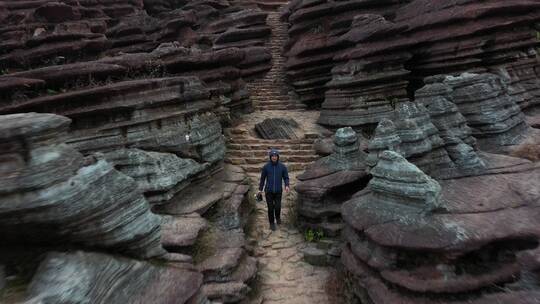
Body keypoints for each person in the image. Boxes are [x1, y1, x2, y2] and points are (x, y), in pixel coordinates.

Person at [258, 148, 290, 231]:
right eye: (272, 156)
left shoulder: (282, 167)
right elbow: (262, 179)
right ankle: (271, 223)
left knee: (278, 206)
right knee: (270, 208)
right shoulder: (266, 167)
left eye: (276, 156)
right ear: (270, 157)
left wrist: (287, 185)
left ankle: (278, 217)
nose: (274, 157)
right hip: (268, 191)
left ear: (278, 157)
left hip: (278, 191)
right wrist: (260, 189)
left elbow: (286, 177)